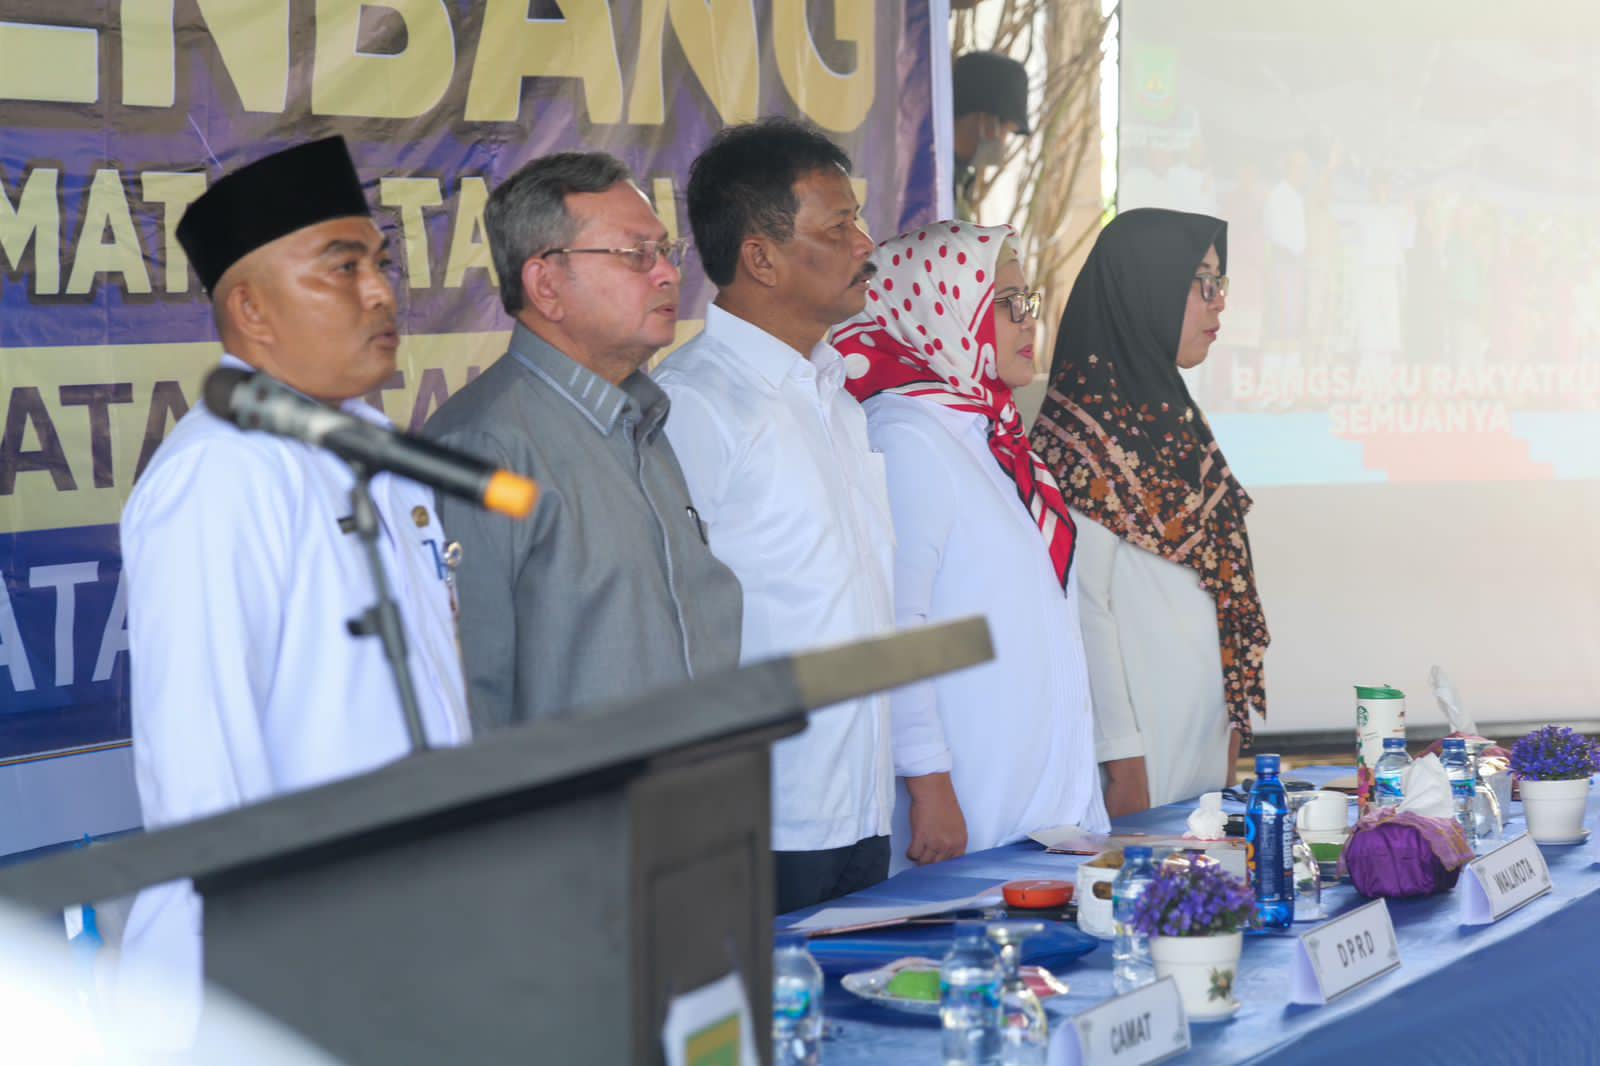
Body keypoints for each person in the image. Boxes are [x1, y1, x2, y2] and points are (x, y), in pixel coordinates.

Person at [116, 136, 472, 1043]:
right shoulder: (222, 473)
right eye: (343, 268)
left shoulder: (374, 450)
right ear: (251, 309)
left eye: (381, 264)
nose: (382, 292)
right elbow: (203, 779)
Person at [654, 119, 896, 914]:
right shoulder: (694, 404)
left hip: (862, 805)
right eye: (839, 227)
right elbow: (673, 630)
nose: (865, 244)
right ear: (760, 257)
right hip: (766, 818)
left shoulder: (836, 397)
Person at [424, 152, 741, 728]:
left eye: (666, 251)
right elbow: (472, 698)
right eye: (636, 254)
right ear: (546, 285)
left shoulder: (641, 420)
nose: (668, 274)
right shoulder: (484, 446)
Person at [832, 220, 1109, 872]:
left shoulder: (991, 434)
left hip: (1037, 798)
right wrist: (929, 783)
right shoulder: (906, 436)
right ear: (942, 312)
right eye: (1006, 303)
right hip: (967, 805)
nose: (1028, 321)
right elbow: (897, 629)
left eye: (1027, 301)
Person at [1029, 208, 1270, 814]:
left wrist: (1227, 730)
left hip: (1200, 744)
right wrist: (1120, 759)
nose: (1219, 303)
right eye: (1201, 283)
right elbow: (1084, 610)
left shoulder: (1173, 418)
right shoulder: (1079, 434)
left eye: (1220, 282)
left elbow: (1217, 590)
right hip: (1138, 760)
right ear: (1145, 289)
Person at [951, 51, 1031, 221]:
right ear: (986, 121)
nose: (1004, 143)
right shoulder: (929, 177)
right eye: (1007, 131)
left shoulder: (957, 181)